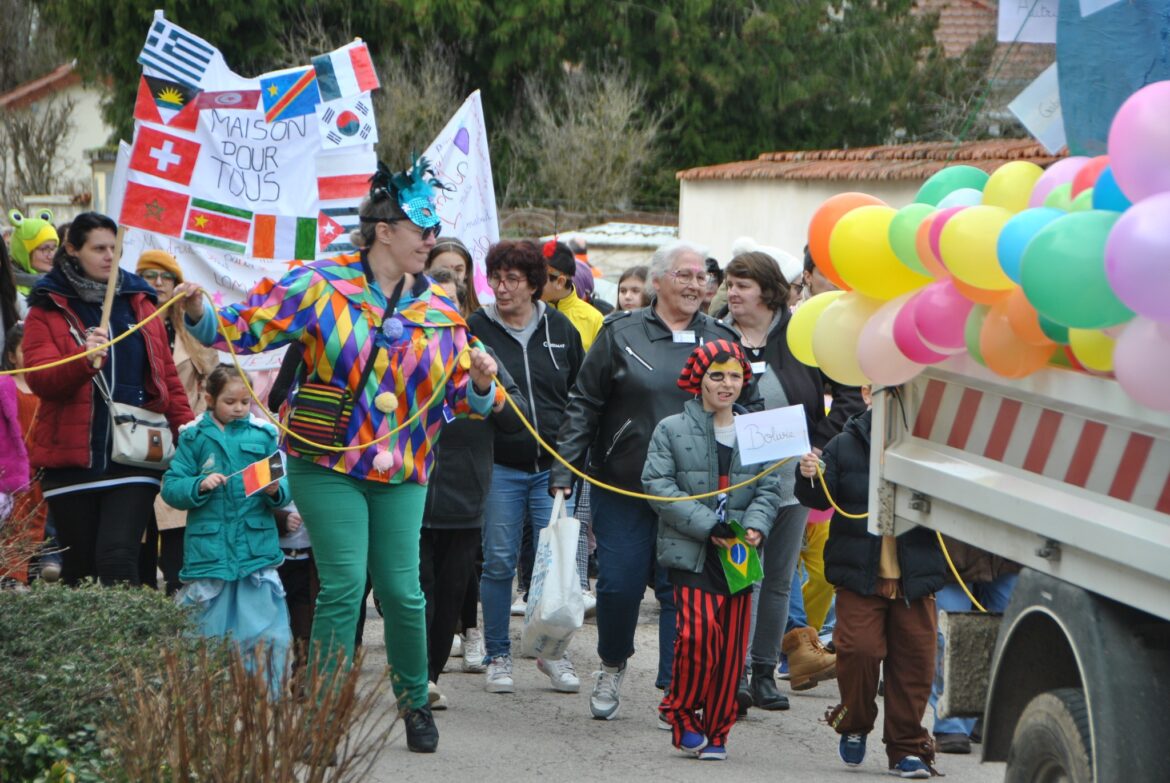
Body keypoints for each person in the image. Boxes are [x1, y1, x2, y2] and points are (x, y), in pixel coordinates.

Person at [178, 157, 500, 754]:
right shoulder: (320, 285)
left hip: (403, 466)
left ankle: (413, 701)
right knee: (345, 583)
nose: (432, 240)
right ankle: (323, 711)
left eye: (434, 230)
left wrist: (482, 381)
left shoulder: (441, 312)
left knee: (403, 591)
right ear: (384, 230)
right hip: (326, 459)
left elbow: (473, 400)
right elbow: (243, 329)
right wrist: (199, 311)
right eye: (421, 228)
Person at [551, 239, 746, 720]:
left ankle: (675, 688)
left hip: (694, 494)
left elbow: (747, 408)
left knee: (682, 592)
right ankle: (612, 664)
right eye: (684, 275)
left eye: (701, 277)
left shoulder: (721, 338)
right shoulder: (620, 332)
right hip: (625, 485)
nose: (694, 284)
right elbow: (585, 403)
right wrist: (565, 469)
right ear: (657, 280)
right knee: (617, 585)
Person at [721, 251, 865, 710]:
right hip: (735, 484)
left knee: (781, 577)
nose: (731, 293)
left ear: (766, 290)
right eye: (729, 284)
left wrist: (821, 445)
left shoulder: (803, 333)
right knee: (743, 575)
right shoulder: (716, 334)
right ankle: (735, 672)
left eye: (741, 285)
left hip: (793, 481)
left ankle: (764, 671)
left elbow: (846, 395)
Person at [23, 212, 193, 586]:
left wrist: (190, 434)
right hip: (71, 461)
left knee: (119, 557)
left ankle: (130, 646)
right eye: (98, 248)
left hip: (134, 455)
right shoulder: (47, 307)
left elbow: (167, 378)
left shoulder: (139, 303)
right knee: (80, 571)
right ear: (71, 249)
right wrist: (82, 362)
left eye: (114, 249)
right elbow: (39, 379)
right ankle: (85, 645)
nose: (108, 257)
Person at [796, 387, 946, 778]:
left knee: (915, 665)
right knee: (858, 652)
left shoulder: (933, 446)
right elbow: (815, 499)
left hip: (916, 579)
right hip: (860, 576)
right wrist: (810, 475)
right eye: (888, 391)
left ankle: (906, 748)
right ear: (867, 393)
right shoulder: (845, 443)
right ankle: (855, 723)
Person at [643, 340, 782, 761]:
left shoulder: (755, 428)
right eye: (717, 375)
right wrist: (708, 526)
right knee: (698, 637)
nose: (726, 384)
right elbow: (658, 486)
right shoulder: (670, 428)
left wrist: (756, 526)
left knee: (731, 649)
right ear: (698, 380)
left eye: (735, 375)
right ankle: (682, 712)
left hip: (738, 558)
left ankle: (718, 729)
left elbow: (770, 486)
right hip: (692, 551)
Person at [466, 240, 585, 695]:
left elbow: (580, 397)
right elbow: (468, 397)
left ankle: (551, 653)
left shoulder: (561, 327)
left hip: (554, 469)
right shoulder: (475, 328)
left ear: (535, 284)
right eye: (495, 277)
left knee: (555, 564)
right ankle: (498, 653)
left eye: (512, 279)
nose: (501, 287)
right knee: (497, 561)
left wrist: (572, 459)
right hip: (499, 465)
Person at [162, 365, 292, 690]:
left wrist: (277, 491)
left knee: (266, 634)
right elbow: (171, 487)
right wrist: (198, 485)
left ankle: (266, 700)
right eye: (230, 401)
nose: (238, 408)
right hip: (210, 556)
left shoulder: (263, 436)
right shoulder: (193, 438)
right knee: (204, 636)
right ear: (209, 398)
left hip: (255, 553)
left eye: (245, 402)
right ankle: (203, 702)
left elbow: (285, 484)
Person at [135, 249, 219, 595]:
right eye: (150, 276)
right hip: (137, 438)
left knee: (177, 534)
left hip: (182, 439)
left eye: (165, 277)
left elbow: (212, 378)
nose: (158, 284)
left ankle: (177, 604)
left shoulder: (191, 332)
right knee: (138, 529)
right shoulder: (127, 325)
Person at [929, 541, 1019, 754]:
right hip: (954, 549)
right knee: (949, 634)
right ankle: (951, 724)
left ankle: (985, 713)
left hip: (1009, 549)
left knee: (1009, 631)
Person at [1, 323, 48, 585]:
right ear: (11, 356)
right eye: (23, 350)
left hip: (41, 469)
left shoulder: (49, 389)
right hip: (13, 472)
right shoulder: (5, 385)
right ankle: (11, 576)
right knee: (13, 521)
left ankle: (28, 572)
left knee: (37, 523)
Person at [542, 240, 603, 352]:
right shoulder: (526, 313)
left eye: (539, 277)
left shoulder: (594, 319)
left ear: (560, 282)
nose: (531, 282)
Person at [6, 209, 59, 294]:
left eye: (54, 248)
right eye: (45, 249)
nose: (51, 255)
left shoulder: (62, 284)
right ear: (24, 252)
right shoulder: (7, 289)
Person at [426, 237, 481, 314]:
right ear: (427, 268)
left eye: (458, 270)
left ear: (467, 273)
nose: (451, 276)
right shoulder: (410, 311)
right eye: (443, 271)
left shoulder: (479, 319)